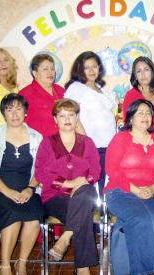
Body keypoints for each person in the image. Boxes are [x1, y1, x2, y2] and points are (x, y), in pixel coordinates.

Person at [105, 99, 154, 275]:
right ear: (131, 118)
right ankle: (138, 274)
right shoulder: (120, 138)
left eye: (148, 113)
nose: (145, 116)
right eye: (140, 113)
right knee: (139, 218)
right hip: (120, 192)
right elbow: (112, 169)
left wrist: (152, 188)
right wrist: (135, 189)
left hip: (149, 191)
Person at [35, 98, 101, 275]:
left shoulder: (87, 143)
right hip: (54, 197)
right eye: (62, 115)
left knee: (86, 194)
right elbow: (40, 173)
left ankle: (64, 239)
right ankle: (83, 270)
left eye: (71, 115)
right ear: (55, 119)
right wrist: (67, 184)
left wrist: (81, 183)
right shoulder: (47, 143)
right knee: (84, 214)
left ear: (77, 117)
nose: (67, 119)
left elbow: (95, 172)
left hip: (82, 195)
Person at [0, 93, 43, 275]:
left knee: (34, 216)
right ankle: (5, 267)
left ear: (25, 112)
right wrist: (8, 192)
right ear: (3, 114)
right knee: (14, 214)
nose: (14, 113)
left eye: (18, 108)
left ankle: (21, 265)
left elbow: (41, 170)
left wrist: (30, 188)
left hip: (26, 189)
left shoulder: (36, 137)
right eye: (9, 109)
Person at [64, 51, 118, 196]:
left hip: (109, 144)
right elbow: (71, 117)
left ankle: (105, 212)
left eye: (94, 66)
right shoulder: (75, 88)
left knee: (106, 180)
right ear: (80, 70)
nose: (91, 70)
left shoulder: (103, 90)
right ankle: (92, 213)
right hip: (90, 144)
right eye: (87, 67)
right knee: (91, 180)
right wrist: (85, 142)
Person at [19, 53, 65, 137]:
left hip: (65, 142)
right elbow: (19, 125)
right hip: (40, 146)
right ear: (35, 73)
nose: (50, 72)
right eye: (45, 69)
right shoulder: (25, 95)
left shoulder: (61, 91)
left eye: (52, 69)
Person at [123, 56, 154, 127]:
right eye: (139, 71)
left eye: (146, 70)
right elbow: (127, 124)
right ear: (135, 76)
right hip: (141, 136)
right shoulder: (131, 95)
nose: (143, 74)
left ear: (152, 72)